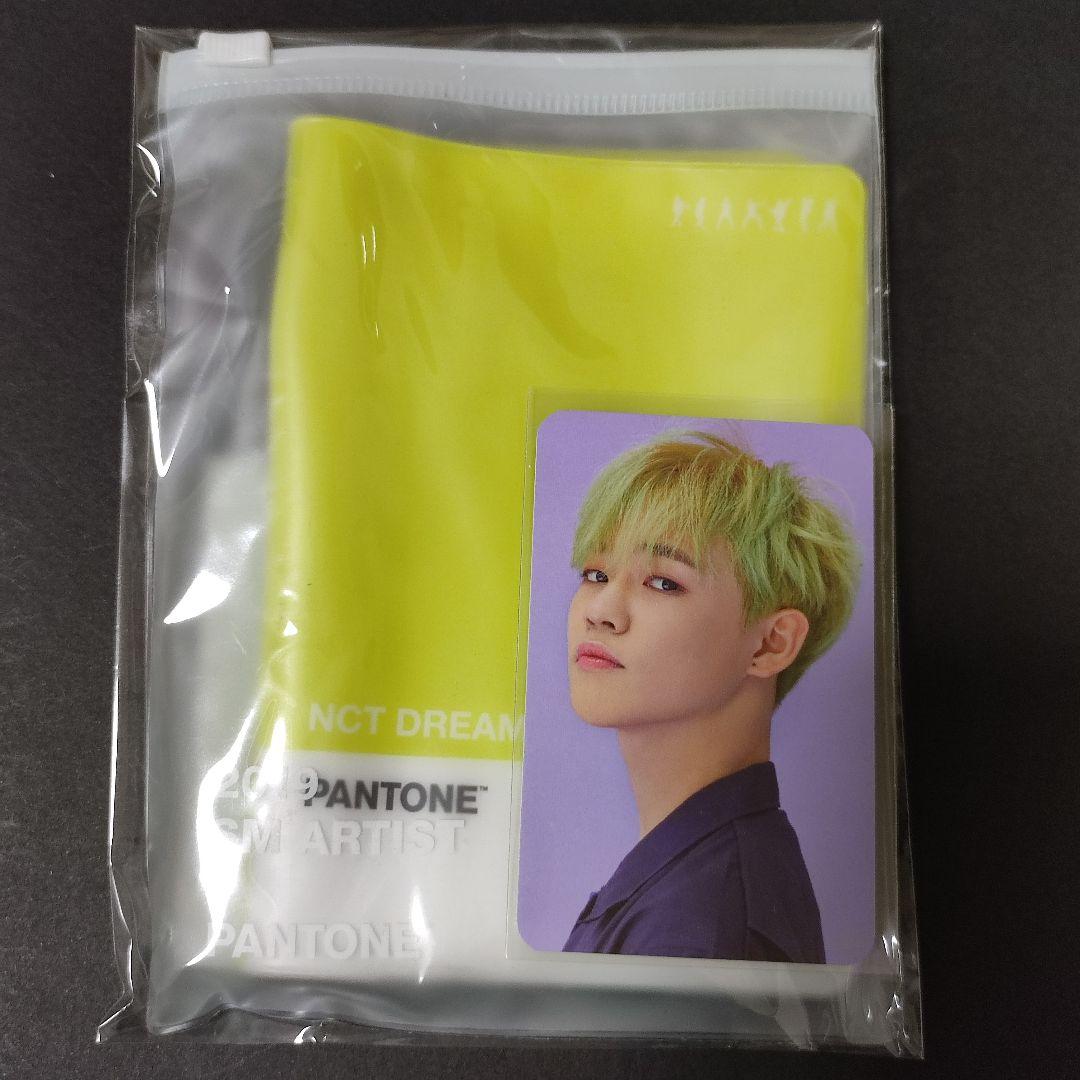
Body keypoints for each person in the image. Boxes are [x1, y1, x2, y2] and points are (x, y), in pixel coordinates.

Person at [562, 431, 859, 963]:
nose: (600, 610)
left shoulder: (701, 925)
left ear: (771, 643)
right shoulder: (694, 880)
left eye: (663, 583)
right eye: (596, 573)